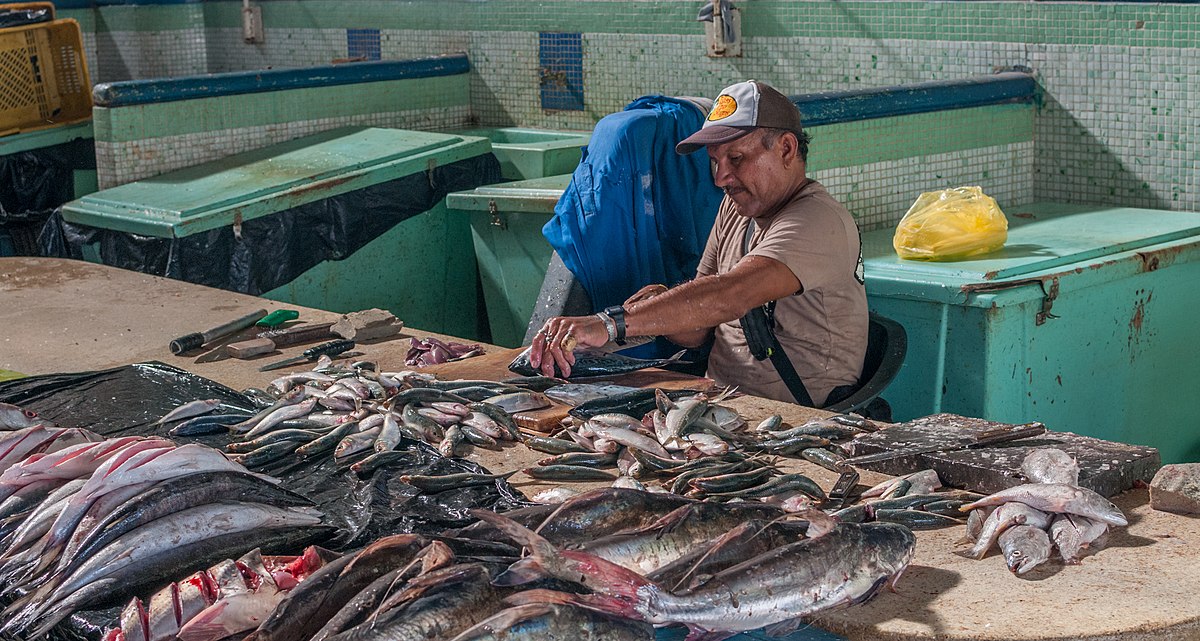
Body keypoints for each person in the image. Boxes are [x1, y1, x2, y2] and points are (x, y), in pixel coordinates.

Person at [529, 80, 867, 407]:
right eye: (715, 162)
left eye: (735, 159)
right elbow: (699, 327)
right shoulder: (736, 211)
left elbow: (729, 295)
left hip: (793, 418)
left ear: (786, 149)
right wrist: (657, 307)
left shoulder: (819, 222)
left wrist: (608, 323)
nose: (720, 178)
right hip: (719, 402)